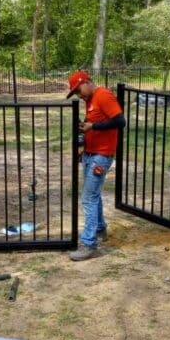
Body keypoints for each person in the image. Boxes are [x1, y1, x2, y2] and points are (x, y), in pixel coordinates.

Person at [65, 70, 125, 261]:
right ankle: (100, 229)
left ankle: (89, 244)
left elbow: (120, 121)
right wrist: (85, 144)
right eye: (75, 93)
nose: (78, 95)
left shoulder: (103, 95)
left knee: (88, 198)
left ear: (86, 82)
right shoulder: (89, 100)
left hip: (102, 156)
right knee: (94, 195)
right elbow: (97, 123)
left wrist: (93, 127)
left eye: (78, 90)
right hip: (91, 154)